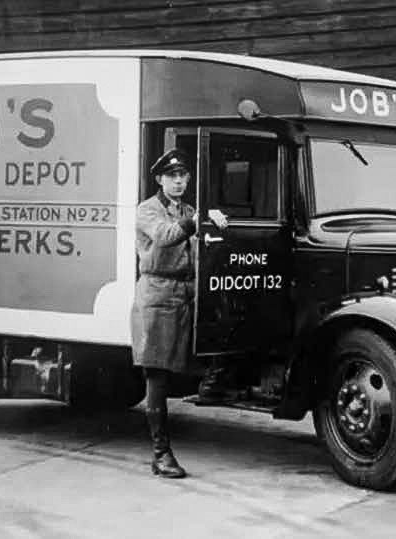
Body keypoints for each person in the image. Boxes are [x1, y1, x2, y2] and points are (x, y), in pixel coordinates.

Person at [131, 148, 228, 479]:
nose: (179, 181)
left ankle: (211, 386)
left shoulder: (188, 210)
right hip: (158, 295)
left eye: (183, 175)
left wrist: (213, 225)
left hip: (187, 292)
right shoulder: (148, 209)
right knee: (157, 374)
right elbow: (166, 236)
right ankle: (161, 454)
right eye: (172, 176)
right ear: (159, 179)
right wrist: (198, 220)